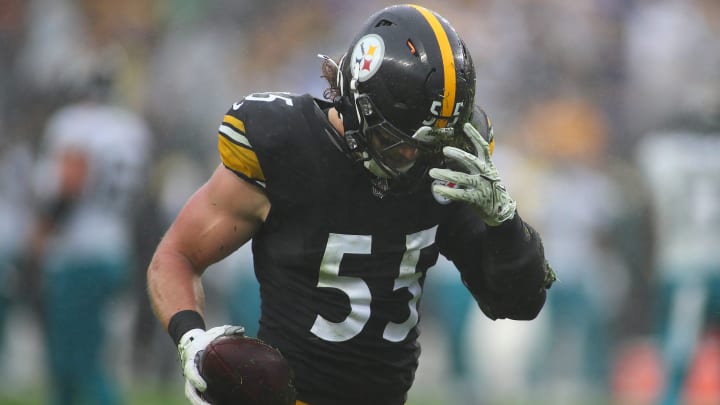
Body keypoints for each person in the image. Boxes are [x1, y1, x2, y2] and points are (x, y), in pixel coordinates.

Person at [147, 4, 555, 405]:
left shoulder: (441, 162)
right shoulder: (289, 146)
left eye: (427, 145)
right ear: (359, 103)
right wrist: (192, 340)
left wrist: (505, 222)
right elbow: (175, 257)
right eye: (398, 141)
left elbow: (517, 303)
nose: (414, 157)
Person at [30, 64, 151, 405]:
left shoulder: (75, 123)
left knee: (75, 365)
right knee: (84, 357)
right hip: (114, 248)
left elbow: (71, 179)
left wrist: (40, 233)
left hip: (78, 254)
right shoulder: (131, 127)